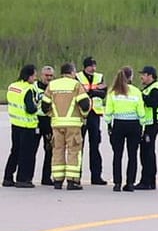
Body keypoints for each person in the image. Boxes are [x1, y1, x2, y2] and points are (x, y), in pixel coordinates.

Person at [43, 63, 92, 191]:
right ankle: (72, 181)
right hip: (73, 124)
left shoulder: (52, 85)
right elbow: (85, 104)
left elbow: (44, 106)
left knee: (57, 151)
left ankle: (57, 181)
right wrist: (83, 115)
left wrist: (51, 114)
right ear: (72, 72)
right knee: (74, 151)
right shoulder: (76, 85)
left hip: (57, 124)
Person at [101, 66, 144, 191]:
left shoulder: (113, 92)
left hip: (118, 124)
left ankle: (117, 183)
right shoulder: (136, 91)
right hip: (134, 125)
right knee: (132, 155)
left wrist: (108, 124)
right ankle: (130, 183)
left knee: (117, 155)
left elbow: (108, 111)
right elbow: (140, 111)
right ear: (131, 77)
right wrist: (142, 124)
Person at [5, 64, 41, 188]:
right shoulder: (28, 89)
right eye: (34, 76)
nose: (35, 79)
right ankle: (23, 179)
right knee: (26, 154)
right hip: (27, 125)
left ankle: (8, 178)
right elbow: (31, 109)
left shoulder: (12, 86)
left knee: (15, 151)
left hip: (15, 124)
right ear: (29, 76)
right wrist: (37, 105)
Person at [133, 65, 158, 191]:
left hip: (152, 124)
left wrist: (140, 96)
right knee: (146, 151)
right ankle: (148, 181)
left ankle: (147, 181)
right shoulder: (148, 88)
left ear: (150, 76)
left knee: (147, 152)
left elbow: (153, 102)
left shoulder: (155, 89)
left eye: (144, 75)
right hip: (148, 124)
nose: (141, 77)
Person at [80, 55, 108, 185]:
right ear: (85, 67)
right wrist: (95, 90)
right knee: (78, 146)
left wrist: (91, 91)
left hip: (95, 114)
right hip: (81, 114)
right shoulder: (78, 76)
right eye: (91, 66)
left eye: (94, 66)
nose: (93, 68)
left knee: (95, 146)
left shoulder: (99, 76)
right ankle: (76, 176)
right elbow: (79, 93)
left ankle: (96, 176)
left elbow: (103, 93)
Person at [34, 65, 55, 186]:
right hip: (37, 120)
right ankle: (27, 176)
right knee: (32, 149)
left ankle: (46, 177)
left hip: (49, 121)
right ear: (41, 75)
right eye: (47, 75)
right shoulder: (34, 87)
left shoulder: (54, 88)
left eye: (51, 76)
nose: (49, 78)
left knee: (49, 150)